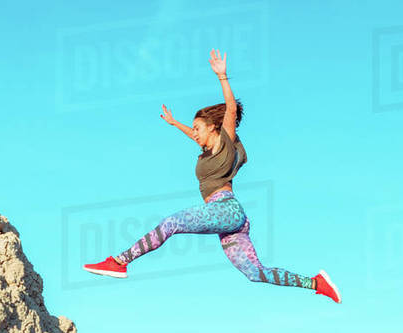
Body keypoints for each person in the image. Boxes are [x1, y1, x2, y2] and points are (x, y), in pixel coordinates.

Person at [83, 49, 341, 302]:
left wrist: (222, 77)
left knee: (172, 223)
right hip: (232, 221)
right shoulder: (209, 151)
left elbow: (230, 109)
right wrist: (176, 124)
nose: (194, 133)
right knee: (254, 273)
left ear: (213, 128)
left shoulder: (224, 141)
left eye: (197, 128)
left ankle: (119, 262)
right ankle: (317, 283)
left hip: (225, 210)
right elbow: (196, 137)